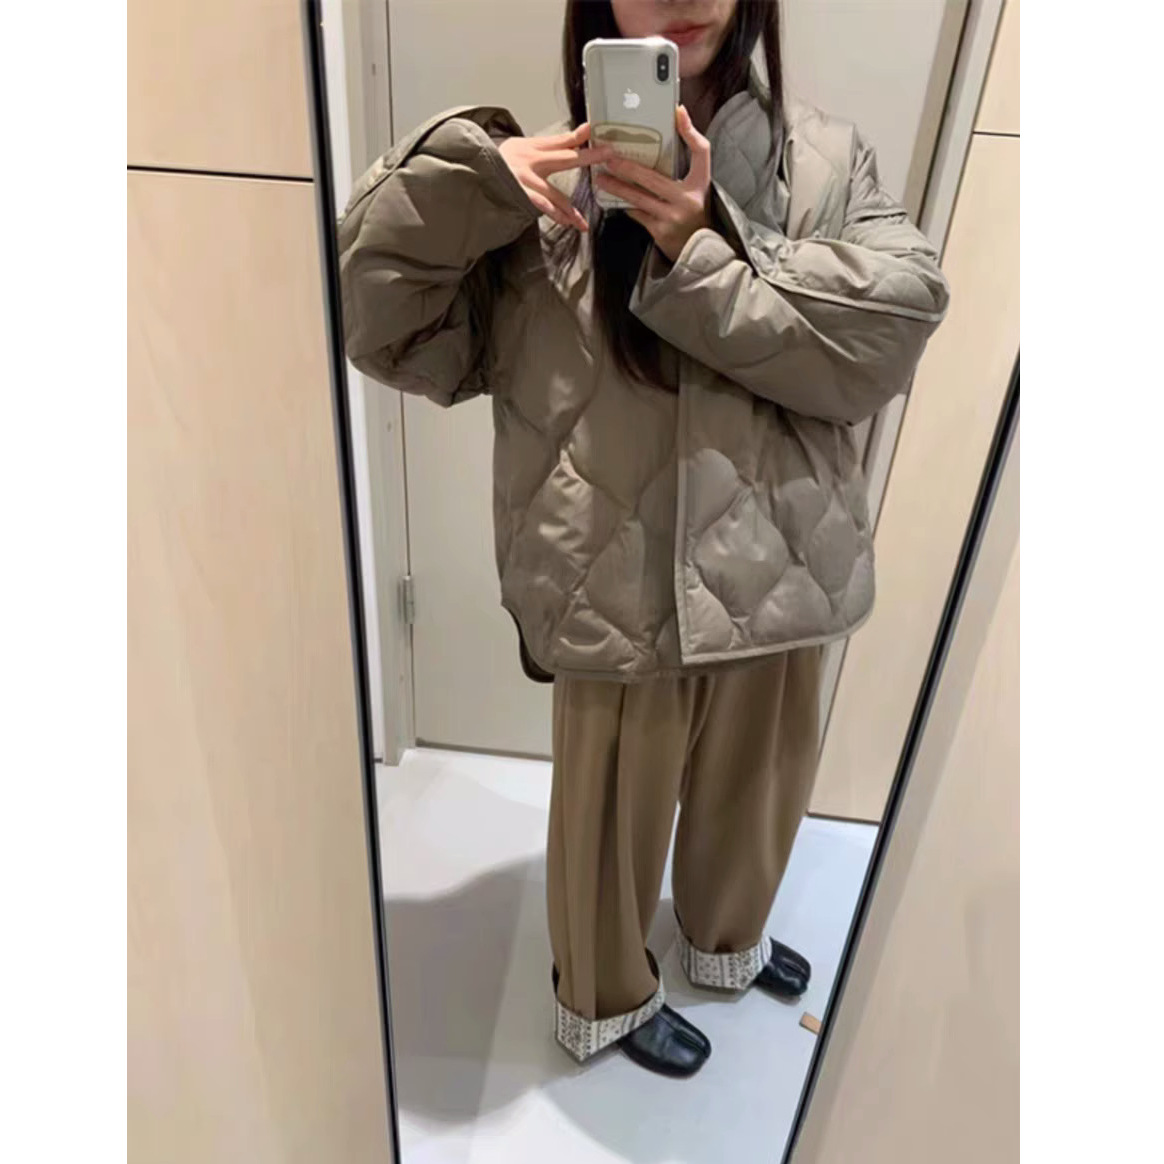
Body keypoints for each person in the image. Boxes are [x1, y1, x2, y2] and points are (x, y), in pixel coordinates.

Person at [338, 0, 949, 1079]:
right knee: (607, 825)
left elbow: (891, 328)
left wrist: (705, 243)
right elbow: (380, 319)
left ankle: (726, 943)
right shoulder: (535, 194)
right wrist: (469, 183)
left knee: (759, 792)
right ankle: (606, 1001)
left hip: (782, 558)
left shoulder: (821, 162)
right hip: (612, 577)